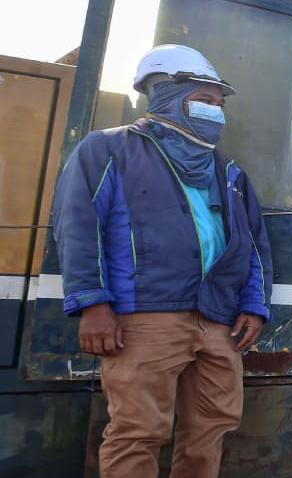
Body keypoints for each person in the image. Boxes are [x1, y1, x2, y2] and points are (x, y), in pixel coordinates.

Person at [51, 44, 272, 478]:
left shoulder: (229, 173)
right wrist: (93, 304)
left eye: (220, 104)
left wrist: (253, 306)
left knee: (212, 428)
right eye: (205, 101)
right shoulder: (108, 150)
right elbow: (77, 227)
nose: (217, 111)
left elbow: (253, 246)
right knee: (138, 430)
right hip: (145, 317)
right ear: (166, 94)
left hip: (218, 320)